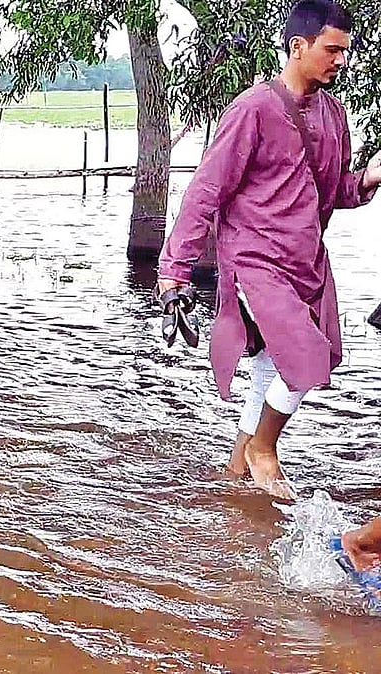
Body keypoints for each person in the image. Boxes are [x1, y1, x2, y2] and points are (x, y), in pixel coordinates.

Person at [156, 0, 381, 499]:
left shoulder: (332, 113)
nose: (341, 60)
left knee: (266, 373)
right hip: (255, 263)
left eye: (346, 51)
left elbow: (332, 193)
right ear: (297, 46)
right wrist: (174, 271)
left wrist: (369, 176)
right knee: (307, 361)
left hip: (306, 263)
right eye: (332, 49)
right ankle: (263, 447)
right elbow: (206, 191)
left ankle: (235, 481)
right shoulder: (253, 108)